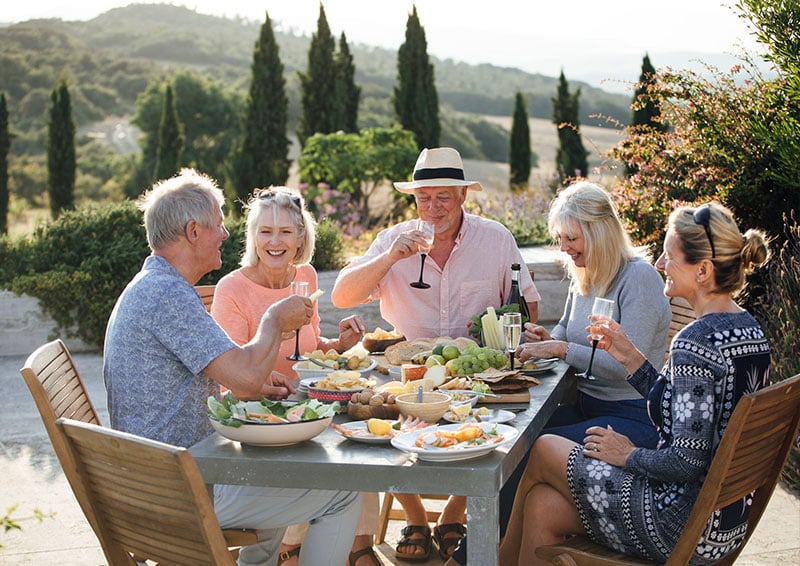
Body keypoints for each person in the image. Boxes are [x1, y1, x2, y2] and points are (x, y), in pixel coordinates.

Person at [103, 168, 363, 566]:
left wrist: (260, 379)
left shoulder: (157, 286)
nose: (226, 234)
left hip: (165, 479)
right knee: (345, 492)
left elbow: (236, 371)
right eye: (219, 225)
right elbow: (243, 378)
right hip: (177, 493)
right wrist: (274, 319)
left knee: (278, 476)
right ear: (193, 231)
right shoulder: (166, 296)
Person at [499, 201, 771, 565]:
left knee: (546, 446)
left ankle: (488, 559)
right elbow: (685, 412)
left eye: (669, 256)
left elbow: (686, 461)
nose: (660, 265)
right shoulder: (748, 330)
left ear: (703, 270)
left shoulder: (696, 341)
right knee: (542, 506)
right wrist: (631, 358)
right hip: (722, 525)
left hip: (675, 521)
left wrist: (627, 455)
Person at [447, 180, 671, 565]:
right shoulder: (585, 273)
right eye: (560, 238)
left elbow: (624, 367)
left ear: (600, 232)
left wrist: (561, 348)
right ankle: (485, 554)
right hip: (588, 406)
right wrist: (547, 337)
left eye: (571, 237)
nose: (563, 248)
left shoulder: (639, 278)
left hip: (631, 418)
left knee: (528, 449)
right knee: (511, 439)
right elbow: (567, 332)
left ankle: (472, 558)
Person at [332, 147, 540, 562]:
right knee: (379, 424)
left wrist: (495, 329)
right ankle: (414, 516)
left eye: (443, 197)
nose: (432, 208)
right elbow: (341, 295)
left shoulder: (495, 239)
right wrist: (391, 257)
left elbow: (528, 307)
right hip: (405, 373)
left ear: (463, 196)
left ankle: (453, 512)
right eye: (423, 198)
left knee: (502, 428)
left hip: (474, 375)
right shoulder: (394, 240)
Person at [210, 186, 378, 566]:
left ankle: (355, 546)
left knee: (361, 439)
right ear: (252, 236)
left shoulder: (305, 275)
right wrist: (275, 333)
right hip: (257, 418)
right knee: (343, 455)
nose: (275, 241)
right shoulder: (231, 289)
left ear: (301, 235)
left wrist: (341, 345)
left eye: (286, 231)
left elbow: (311, 349)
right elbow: (232, 376)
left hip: (306, 406)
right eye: (265, 231)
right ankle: (301, 546)